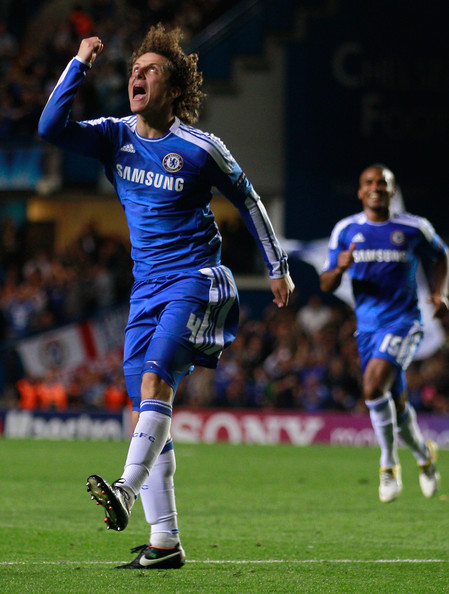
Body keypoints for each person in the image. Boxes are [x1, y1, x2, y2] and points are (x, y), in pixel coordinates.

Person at [38, 24, 294, 568]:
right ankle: (165, 542)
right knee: (149, 414)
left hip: (198, 280)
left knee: (155, 382)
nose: (137, 74)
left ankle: (125, 492)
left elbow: (248, 201)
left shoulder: (202, 148)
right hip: (146, 291)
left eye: (151, 69)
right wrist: (79, 62)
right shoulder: (114, 136)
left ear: (174, 89)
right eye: (135, 68)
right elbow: (50, 126)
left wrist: (278, 266)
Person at [320, 164, 448, 503]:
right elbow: (326, 282)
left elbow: (442, 256)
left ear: (392, 191)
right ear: (361, 192)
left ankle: (388, 464)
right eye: (370, 183)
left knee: (373, 386)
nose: (376, 187)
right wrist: (340, 268)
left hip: (406, 323)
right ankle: (424, 455)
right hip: (368, 329)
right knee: (396, 403)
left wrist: (440, 293)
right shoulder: (346, 230)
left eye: (383, 183)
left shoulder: (413, 227)